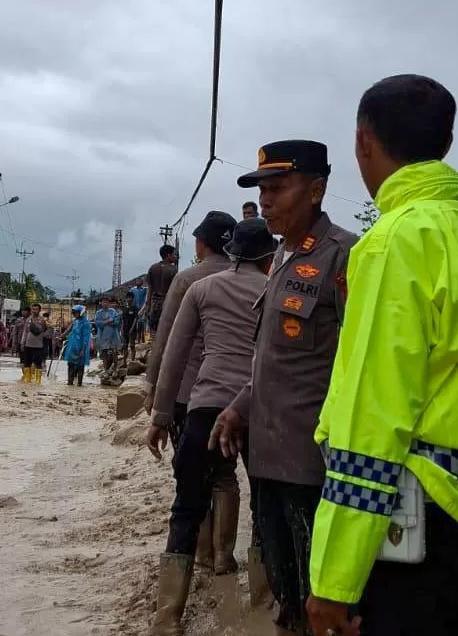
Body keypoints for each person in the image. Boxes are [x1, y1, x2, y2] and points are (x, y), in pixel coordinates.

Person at [301, 76, 458, 636]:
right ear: (446, 144)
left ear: (363, 142)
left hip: (415, 521)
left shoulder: (394, 242)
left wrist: (333, 581)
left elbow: (372, 414)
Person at [211, 139, 358, 635]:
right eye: (262, 190)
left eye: (278, 188)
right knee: (285, 592)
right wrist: (240, 407)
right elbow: (274, 358)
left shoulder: (345, 257)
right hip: (268, 461)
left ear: (316, 191)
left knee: (325, 603)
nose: (266, 201)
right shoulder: (280, 259)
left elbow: (358, 364)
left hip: (315, 469)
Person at [145, 218, 277, 634]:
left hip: (205, 407)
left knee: (186, 507)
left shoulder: (200, 288)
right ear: (268, 258)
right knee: (265, 506)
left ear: (231, 252)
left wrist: (160, 416)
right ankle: (262, 608)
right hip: (258, 409)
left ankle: (167, 618)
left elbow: (174, 355)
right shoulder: (274, 289)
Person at [143, 210, 238, 577]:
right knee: (225, 472)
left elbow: (167, 341)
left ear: (201, 244)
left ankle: (202, 552)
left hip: (188, 394)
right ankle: (225, 555)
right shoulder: (252, 278)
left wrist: (153, 391)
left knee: (190, 473)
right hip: (236, 395)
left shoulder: (188, 280)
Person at [146, 245, 180, 337]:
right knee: (167, 331)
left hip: (155, 303)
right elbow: (175, 290)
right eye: (174, 254)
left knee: (154, 331)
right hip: (168, 303)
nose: (176, 257)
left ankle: (154, 343)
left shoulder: (153, 268)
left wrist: (148, 305)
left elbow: (150, 289)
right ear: (169, 255)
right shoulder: (173, 270)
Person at [62, 304, 92, 386]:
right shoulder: (74, 321)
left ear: (81, 313)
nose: (74, 314)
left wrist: (83, 349)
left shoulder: (85, 323)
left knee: (80, 366)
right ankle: (70, 383)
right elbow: (68, 329)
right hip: (72, 346)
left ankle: (79, 384)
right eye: (74, 312)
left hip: (81, 346)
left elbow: (86, 338)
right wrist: (61, 336)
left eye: (76, 312)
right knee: (70, 364)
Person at [20, 303, 49, 384]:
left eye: (36, 309)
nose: (34, 311)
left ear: (39, 310)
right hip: (28, 345)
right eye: (33, 309)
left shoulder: (42, 320)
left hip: (38, 346)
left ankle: (38, 382)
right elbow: (25, 332)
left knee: (38, 364)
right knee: (27, 364)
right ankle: (27, 381)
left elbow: (40, 330)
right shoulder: (28, 319)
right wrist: (22, 343)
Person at [93, 297, 122, 371]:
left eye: (107, 302)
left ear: (109, 303)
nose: (105, 303)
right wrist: (107, 321)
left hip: (113, 335)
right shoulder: (98, 313)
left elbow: (116, 321)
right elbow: (97, 323)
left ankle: (115, 369)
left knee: (114, 352)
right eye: (104, 302)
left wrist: (108, 323)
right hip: (102, 336)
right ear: (101, 303)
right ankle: (106, 369)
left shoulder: (113, 311)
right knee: (104, 353)